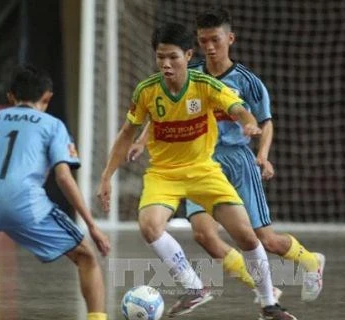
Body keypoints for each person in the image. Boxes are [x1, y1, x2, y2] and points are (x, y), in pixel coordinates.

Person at [98, 22, 296, 320]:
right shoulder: (147, 91)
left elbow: (237, 107)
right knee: (149, 225)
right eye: (160, 57)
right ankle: (194, 287)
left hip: (204, 171)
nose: (166, 64)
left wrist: (247, 121)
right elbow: (127, 132)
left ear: (189, 55)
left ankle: (269, 305)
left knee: (247, 236)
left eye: (173, 57)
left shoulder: (206, 85)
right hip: (163, 174)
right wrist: (106, 176)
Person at [129, 7, 325, 304]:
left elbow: (264, 121)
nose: (209, 47)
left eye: (215, 40)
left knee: (264, 239)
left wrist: (263, 154)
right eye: (203, 40)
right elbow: (161, 116)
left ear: (230, 38)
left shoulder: (246, 81)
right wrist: (143, 140)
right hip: (200, 162)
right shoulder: (189, 74)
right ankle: (266, 291)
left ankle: (310, 261)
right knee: (204, 235)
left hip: (238, 160)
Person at [0, 65, 110, 320]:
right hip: (23, 204)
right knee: (86, 256)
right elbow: (63, 177)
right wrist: (92, 225)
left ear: (10, 96)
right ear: (47, 97)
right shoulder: (53, 125)